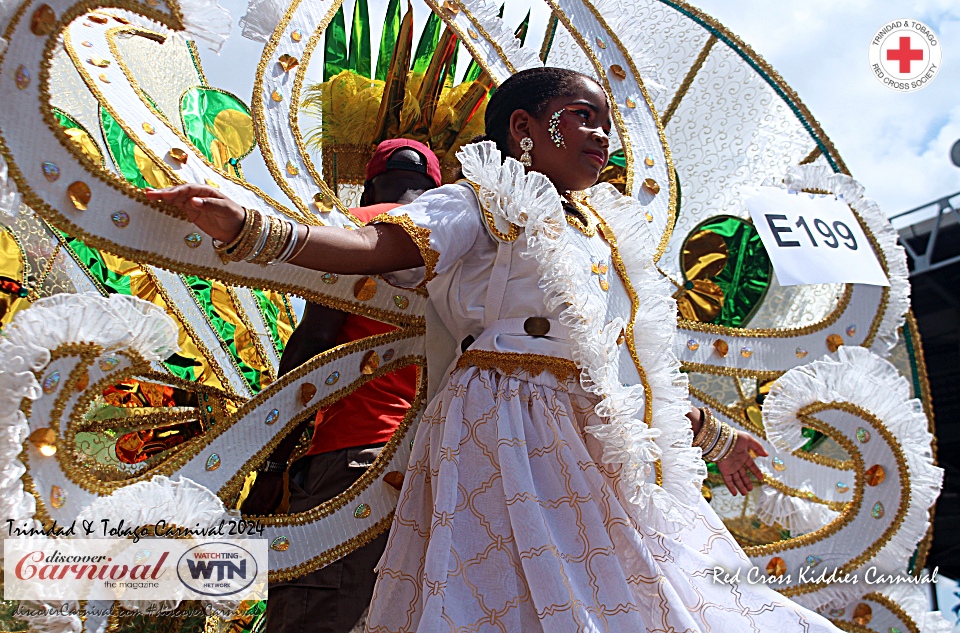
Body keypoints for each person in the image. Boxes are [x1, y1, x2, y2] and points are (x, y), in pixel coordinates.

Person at [148, 67, 842, 631]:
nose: (602, 134)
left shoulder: (608, 239)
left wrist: (712, 433)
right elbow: (376, 246)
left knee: (661, 592)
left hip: (598, 445)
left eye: (606, 120)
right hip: (507, 430)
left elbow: (619, 368)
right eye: (581, 115)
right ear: (524, 128)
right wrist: (249, 226)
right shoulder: (483, 199)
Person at [238, 140, 441, 633]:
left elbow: (315, 345)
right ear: (436, 187)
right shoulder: (462, 246)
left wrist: (271, 466)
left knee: (315, 613)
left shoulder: (354, 227)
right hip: (435, 474)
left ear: (370, 182)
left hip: (351, 459)